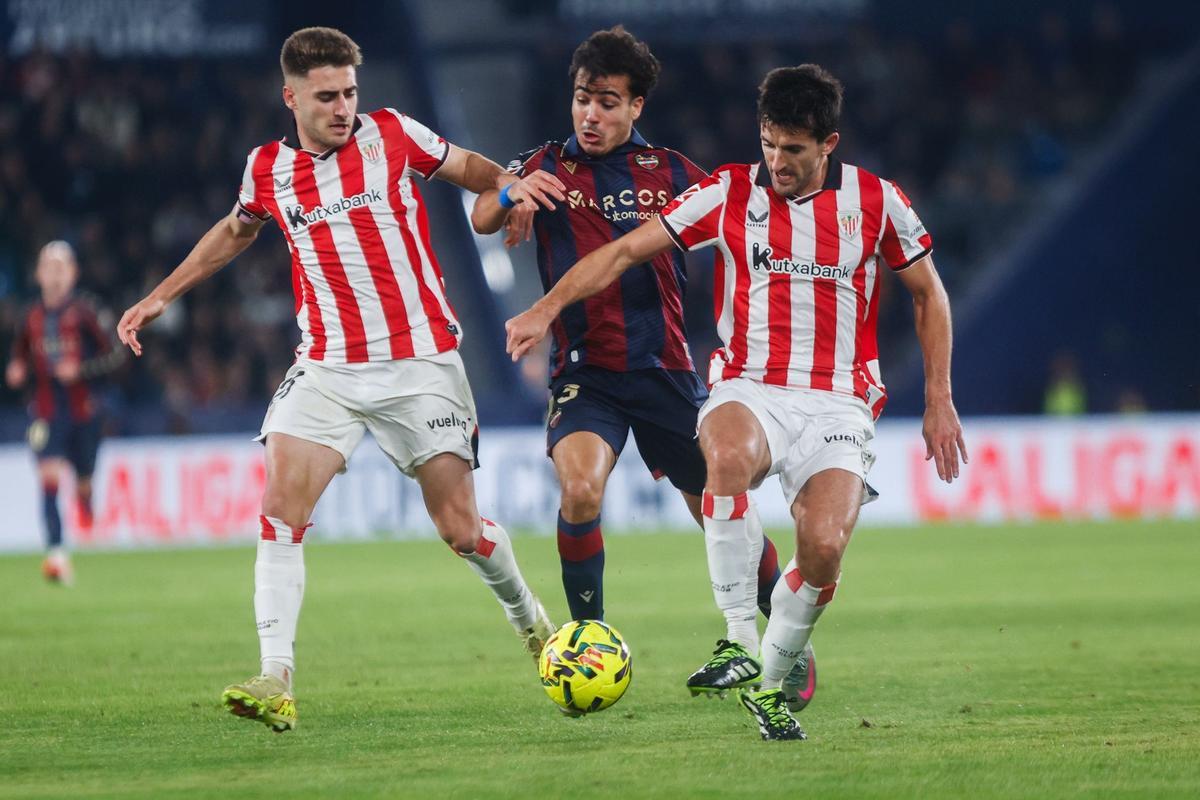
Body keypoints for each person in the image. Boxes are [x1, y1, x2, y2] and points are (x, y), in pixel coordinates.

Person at [116, 27, 559, 734]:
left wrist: (512, 190)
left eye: (350, 91)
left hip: (421, 364)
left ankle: (530, 621)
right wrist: (163, 294)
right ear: (290, 97)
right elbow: (236, 230)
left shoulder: (393, 135)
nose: (343, 107)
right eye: (326, 97)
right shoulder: (267, 170)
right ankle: (276, 675)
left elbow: (475, 169)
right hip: (326, 365)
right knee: (280, 507)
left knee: (461, 529)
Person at [506, 64, 968, 740]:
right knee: (723, 456)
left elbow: (929, 294)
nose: (777, 162)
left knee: (824, 548)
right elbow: (624, 251)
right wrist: (545, 308)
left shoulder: (876, 202)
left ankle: (774, 683)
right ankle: (737, 640)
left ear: (828, 143)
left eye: (794, 150)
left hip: (839, 400)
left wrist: (939, 398)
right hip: (749, 382)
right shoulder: (728, 190)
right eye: (769, 144)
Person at [470, 25, 783, 696]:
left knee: (719, 509)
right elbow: (480, 218)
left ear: (636, 107)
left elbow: (744, 225)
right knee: (580, 489)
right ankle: (590, 642)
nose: (591, 114)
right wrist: (506, 195)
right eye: (584, 98)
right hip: (586, 373)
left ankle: (785, 637)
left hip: (666, 371)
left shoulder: (670, 172)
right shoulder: (544, 163)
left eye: (609, 102)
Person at [6, 241, 120, 584]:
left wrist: (81, 369)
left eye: (61, 268)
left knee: (83, 482)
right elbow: (19, 354)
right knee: (49, 479)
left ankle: (86, 501)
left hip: (84, 412)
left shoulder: (87, 312)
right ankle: (56, 555)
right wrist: (17, 368)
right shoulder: (30, 316)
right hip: (45, 412)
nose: (54, 275)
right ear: (38, 273)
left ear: (73, 273)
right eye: (48, 267)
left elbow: (116, 355)